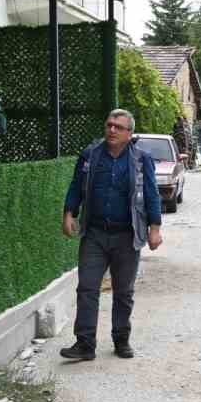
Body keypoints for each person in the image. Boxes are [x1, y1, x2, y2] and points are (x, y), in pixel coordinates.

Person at [60, 109, 163, 361]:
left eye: (118, 127)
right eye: (109, 125)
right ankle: (85, 344)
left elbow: (151, 194)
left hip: (127, 236)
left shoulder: (141, 160)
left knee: (123, 292)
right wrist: (69, 213)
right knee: (87, 288)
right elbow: (76, 186)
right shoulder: (90, 155)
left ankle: (121, 339)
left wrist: (155, 228)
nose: (112, 130)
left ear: (129, 133)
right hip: (94, 234)